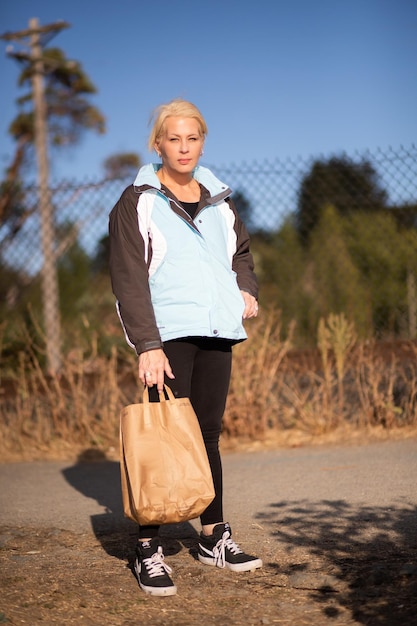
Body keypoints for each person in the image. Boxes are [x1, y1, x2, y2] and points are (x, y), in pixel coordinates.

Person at [109, 98, 262, 597]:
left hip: (217, 329)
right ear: (158, 144)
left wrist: (246, 289)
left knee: (209, 433)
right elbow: (129, 279)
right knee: (164, 434)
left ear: (202, 142)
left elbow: (239, 253)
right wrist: (147, 345)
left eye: (191, 138)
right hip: (167, 333)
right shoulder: (138, 201)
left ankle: (213, 536)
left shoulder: (220, 199)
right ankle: (147, 548)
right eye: (172, 138)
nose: (183, 147)